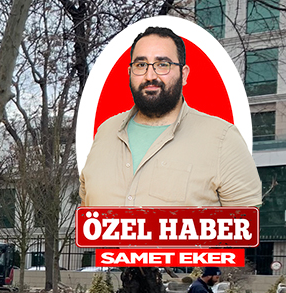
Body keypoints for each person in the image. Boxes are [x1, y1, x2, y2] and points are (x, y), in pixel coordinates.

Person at [79, 26, 260, 208]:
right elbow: (86, 213)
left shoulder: (223, 139)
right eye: (140, 65)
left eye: (162, 65)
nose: (150, 76)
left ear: (184, 74)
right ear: (129, 73)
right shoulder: (104, 132)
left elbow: (245, 229)